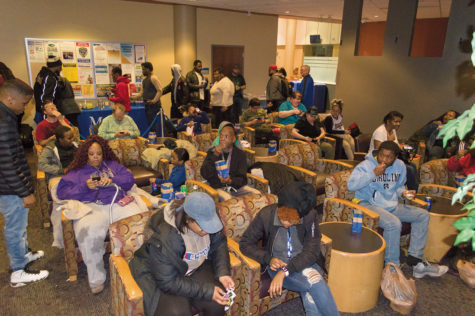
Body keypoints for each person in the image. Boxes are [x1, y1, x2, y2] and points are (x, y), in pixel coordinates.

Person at [56, 135, 145, 293]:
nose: (95, 157)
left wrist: (112, 180)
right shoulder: (77, 171)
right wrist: (85, 186)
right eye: (91, 154)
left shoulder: (112, 166)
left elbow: (129, 179)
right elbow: (62, 192)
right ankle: (96, 279)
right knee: (87, 233)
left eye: (98, 153)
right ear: (85, 154)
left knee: (139, 223)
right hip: (92, 208)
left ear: (103, 153)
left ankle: (138, 270)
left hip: (118, 203)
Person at [348, 141, 449, 277]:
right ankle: (392, 268)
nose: (384, 159)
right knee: (393, 223)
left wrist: (403, 193)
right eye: (382, 155)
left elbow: (398, 186)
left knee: (422, 215)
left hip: (390, 204)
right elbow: (351, 185)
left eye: (388, 157)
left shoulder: (400, 166)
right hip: (367, 203)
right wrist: (373, 174)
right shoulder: (366, 166)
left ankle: (415, 260)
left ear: (395, 157)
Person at [239, 182, 339, 316]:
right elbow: (245, 243)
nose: (286, 224)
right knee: (316, 283)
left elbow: (312, 250)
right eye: (283, 219)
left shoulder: (310, 215)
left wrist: (285, 272)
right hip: (278, 265)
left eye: (293, 222)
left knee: (312, 289)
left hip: (303, 262)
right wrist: (268, 258)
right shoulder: (266, 215)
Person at [129, 192, 234, 316]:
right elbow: (167, 281)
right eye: (203, 226)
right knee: (177, 313)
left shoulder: (209, 213)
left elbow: (219, 243)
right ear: (188, 219)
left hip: (192, 266)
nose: (207, 230)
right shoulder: (165, 237)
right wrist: (207, 291)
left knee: (217, 303)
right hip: (161, 274)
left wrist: (223, 273)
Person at [0, 79, 49, 287]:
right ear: (9, 98)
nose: (25, 107)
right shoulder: (3, 122)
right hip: (10, 189)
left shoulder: (7, 116)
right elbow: (6, 164)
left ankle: (24, 254)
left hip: (12, 186)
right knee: (14, 228)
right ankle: (18, 271)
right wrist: (24, 192)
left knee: (20, 226)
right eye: (24, 102)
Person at [201, 121, 259, 201]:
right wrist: (215, 155)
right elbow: (205, 174)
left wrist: (230, 181)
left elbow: (242, 179)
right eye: (221, 136)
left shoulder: (240, 154)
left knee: (257, 194)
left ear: (233, 139)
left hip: (234, 187)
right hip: (217, 187)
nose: (222, 139)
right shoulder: (212, 152)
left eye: (226, 136)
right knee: (228, 199)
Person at [369, 111, 419, 190]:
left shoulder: (393, 130)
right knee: (409, 169)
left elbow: (396, 145)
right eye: (396, 121)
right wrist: (389, 141)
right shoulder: (380, 132)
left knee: (413, 165)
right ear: (388, 121)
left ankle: (413, 190)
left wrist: (403, 147)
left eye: (399, 122)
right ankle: (413, 192)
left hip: (391, 158)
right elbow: (378, 151)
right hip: (379, 160)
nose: (398, 124)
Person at [132, 62, 163, 132]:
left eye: (144, 69)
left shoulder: (153, 78)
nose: (142, 71)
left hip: (154, 107)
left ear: (148, 69)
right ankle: (153, 140)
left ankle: (155, 141)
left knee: (153, 125)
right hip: (148, 106)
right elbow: (141, 93)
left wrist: (153, 101)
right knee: (151, 125)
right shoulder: (144, 80)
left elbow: (160, 90)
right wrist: (133, 98)